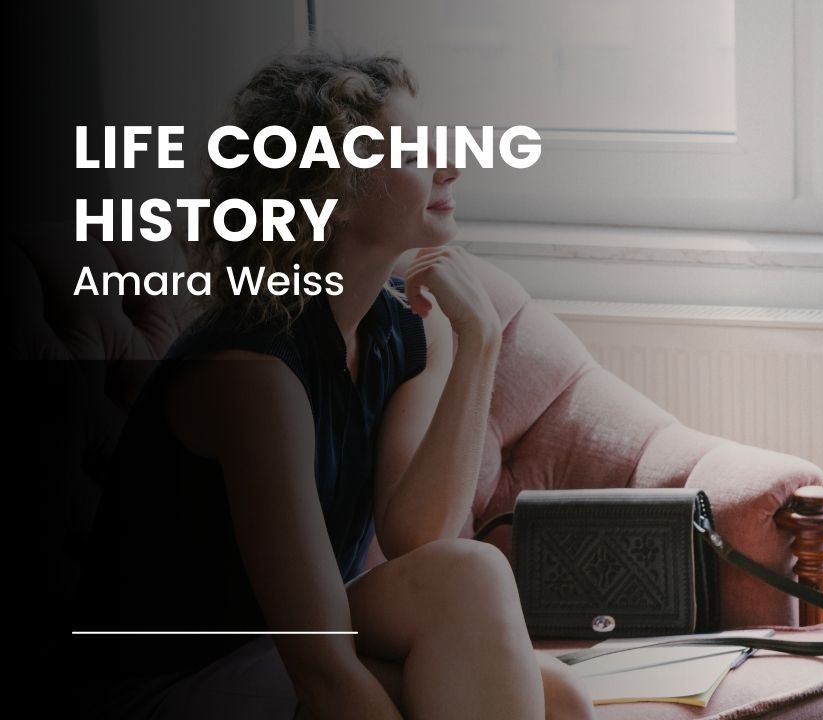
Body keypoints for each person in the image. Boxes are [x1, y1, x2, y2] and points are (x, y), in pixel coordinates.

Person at [71, 52, 594, 720]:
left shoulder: (402, 328)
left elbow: (418, 537)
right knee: (474, 582)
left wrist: (479, 347)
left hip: (268, 652)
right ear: (334, 196)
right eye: (411, 152)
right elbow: (320, 669)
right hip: (166, 681)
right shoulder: (253, 374)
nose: (449, 166)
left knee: (564, 697)